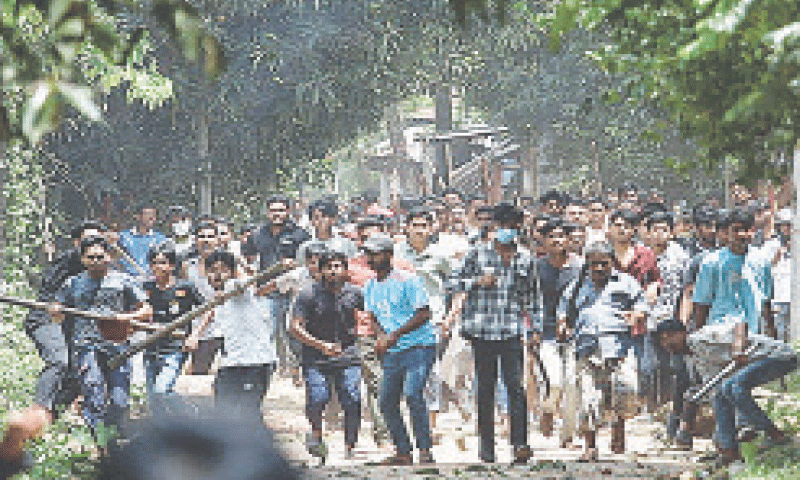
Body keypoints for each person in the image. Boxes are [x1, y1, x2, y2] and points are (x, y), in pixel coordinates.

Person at [0, 221, 106, 478]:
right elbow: (50, 298)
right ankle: (40, 408)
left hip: (75, 326)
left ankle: (42, 426)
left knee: (77, 377)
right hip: (46, 318)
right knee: (59, 360)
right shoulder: (69, 262)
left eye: (98, 244)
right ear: (77, 246)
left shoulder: (104, 270)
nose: (93, 252)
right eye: (87, 243)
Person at [447, 204, 538, 465]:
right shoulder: (477, 254)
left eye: (512, 227)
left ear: (518, 229)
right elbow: (452, 283)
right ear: (493, 227)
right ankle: (486, 448)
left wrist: (535, 330)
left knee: (516, 388)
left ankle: (520, 443)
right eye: (502, 226)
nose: (506, 232)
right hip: (482, 331)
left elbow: (533, 297)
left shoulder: (525, 258)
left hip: (510, 331)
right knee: (484, 389)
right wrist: (476, 281)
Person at [557, 241, 649, 461]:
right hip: (586, 346)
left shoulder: (626, 283)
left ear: (612, 263)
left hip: (619, 346)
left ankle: (619, 427)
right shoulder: (577, 285)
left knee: (626, 391)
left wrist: (636, 316)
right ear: (587, 264)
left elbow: (642, 305)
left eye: (603, 264)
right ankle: (590, 445)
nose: (598, 269)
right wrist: (562, 323)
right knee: (588, 397)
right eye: (594, 264)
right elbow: (564, 309)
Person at [660, 319, 797, 467]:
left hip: (778, 356)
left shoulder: (700, 337)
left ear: (682, 333)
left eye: (670, 336)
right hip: (756, 365)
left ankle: (774, 433)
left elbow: (740, 325)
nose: (666, 343)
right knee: (720, 394)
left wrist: (738, 349)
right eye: (662, 339)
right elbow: (713, 384)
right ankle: (729, 451)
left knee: (732, 386)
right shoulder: (694, 358)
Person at [50, 236, 152, 433]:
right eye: (91, 257)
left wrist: (126, 317)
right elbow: (57, 311)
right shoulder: (73, 283)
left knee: (120, 399)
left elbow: (147, 311)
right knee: (94, 392)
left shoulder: (123, 281)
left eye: (100, 256)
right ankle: (98, 440)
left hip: (117, 345)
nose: (96, 261)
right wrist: (55, 310)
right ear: (83, 259)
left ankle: (115, 438)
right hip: (85, 345)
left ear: (109, 257)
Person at [361, 235, 436, 465]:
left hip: (418, 345)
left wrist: (395, 334)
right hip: (393, 349)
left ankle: (425, 449)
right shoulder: (371, 285)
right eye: (368, 254)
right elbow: (372, 317)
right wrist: (382, 335)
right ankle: (403, 449)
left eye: (375, 254)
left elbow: (423, 314)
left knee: (414, 394)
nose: (370, 259)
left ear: (388, 256)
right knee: (386, 400)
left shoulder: (408, 280)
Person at [186, 250, 277, 423]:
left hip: (256, 362)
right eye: (213, 270)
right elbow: (211, 312)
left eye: (223, 270)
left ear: (233, 272)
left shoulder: (239, 290)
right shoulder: (218, 299)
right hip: (230, 363)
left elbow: (239, 287)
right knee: (222, 413)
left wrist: (238, 275)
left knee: (249, 415)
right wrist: (196, 334)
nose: (218, 275)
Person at [291, 250, 363, 460]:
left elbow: (372, 316)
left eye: (338, 266)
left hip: (347, 354)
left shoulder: (355, 293)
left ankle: (350, 445)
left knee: (352, 397)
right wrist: (320, 345)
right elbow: (295, 327)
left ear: (345, 270)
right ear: (321, 270)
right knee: (317, 397)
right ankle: (316, 435)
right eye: (329, 267)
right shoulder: (308, 294)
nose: (333, 271)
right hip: (315, 355)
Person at [244, 196, 311, 376]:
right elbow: (248, 258)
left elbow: (309, 263)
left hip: (293, 291)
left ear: (287, 212)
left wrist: (295, 263)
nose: (277, 214)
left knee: (293, 330)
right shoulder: (258, 234)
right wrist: (250, 273)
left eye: (281, 210)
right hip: (266, 291)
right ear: (267, 212)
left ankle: (298, 367)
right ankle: (268, 368)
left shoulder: (300, 234)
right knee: (267, 330)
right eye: (273, 211)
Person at [142, 242, 205, 416]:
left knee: (161, 390)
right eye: (154, 262)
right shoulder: (146, 288)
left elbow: (208, 310)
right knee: (154, 401)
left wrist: (195, 335)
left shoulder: (185, 288)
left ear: (172, 265)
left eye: (162, 262)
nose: (157, 267)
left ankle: (190, 413)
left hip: (175, 347)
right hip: (150, 347)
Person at [533, 218, 580, 444]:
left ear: (569, 240)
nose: (556, 240)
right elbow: (529, 300)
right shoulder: (536, 267)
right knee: (554, 380)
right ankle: (548, 411)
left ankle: (568, 434)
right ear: (543, 240)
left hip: (575, 333)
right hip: (545, 332)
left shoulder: (580, 268)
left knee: (572, 383)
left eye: (561, 236)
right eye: (551, 236)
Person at [181, 221, 221, 375]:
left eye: (210, 237)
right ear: (195, 240)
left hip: (224, 328)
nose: (206, 240)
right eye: (202, 237)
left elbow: (217, 302)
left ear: (217, 240)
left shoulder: (230, 265)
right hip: (200, 328)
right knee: (199, 374)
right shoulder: (188, 267)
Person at [118, 204, 167, 277]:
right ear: (137, 217)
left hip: (151, 279)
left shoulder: (160, 239)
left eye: (154, 215)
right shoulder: (123, 236)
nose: (152, 218)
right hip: (127, 278)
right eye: (148, 214)